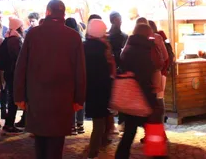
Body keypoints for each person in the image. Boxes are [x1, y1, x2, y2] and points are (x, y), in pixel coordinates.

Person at [14, 0, 86, 159]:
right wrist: (79, 99)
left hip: (37, 95)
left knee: (40, 140)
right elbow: (80, 71)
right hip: (63, 97)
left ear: (47, 12)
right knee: (56, 143)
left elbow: (21, 67)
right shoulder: (73, 36)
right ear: (63, 14)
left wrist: (19, 95)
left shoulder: (33, 33)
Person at [114, 24, 158, 159]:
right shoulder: (146, 49)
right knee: (153, 127)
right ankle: (157, 155)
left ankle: (121, 155)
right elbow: (152, 68)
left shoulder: (128, 47)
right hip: (142, 94)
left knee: (130, 130)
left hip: (130, 96)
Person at [83, 19, 113, 159]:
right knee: (99, 121)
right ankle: (93, 152)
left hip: (89, 87)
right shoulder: (103, 48)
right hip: (101, 88)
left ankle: (94, 149)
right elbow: (108, 71)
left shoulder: (84, 46)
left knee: (98, 121)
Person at [0, 16, 24, 135]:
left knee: (12, 98)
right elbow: (19, 58)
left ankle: (9, 123)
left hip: (9, 72)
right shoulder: (15, 40)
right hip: (14, 73)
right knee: (14, 98)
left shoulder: (8, 38)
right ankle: (9, 124)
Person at [65, 17, 86, 135]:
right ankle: (80, 124)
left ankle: (72, 125)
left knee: (69, 99)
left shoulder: (64, 39)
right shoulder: (79, 39)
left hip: (67, 73)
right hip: (78, 71)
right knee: (79, 98)